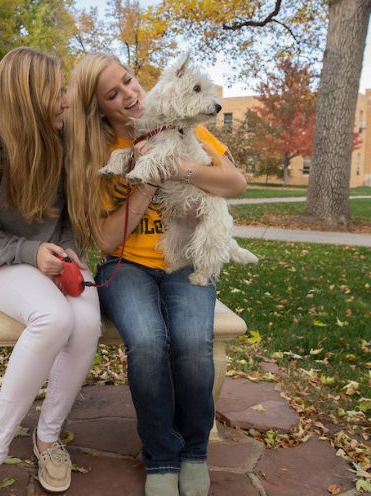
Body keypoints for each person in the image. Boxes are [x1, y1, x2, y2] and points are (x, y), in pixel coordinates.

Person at [64, 53, 247, 496]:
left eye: (128, 81)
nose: (129, 93)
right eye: (113, 93)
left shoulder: (182, 122)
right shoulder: (97, 153)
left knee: (190, 343)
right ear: (99, 108)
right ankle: (162, 456)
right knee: (147, 342)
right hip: (126, 265)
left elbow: (235, 183)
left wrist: (179, 168)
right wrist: (146, 182)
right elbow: (106, 240)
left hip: (183, 260)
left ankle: (194, 452)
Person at [0, 47, 101, 496]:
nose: (66, 101)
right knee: (53, 319)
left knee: (86, 321)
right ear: (29, 97)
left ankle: (48, 436)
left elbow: (68, 221)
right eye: (57, 93)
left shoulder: (62, 139)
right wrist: (32, 254)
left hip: (52, 257)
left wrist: (69, 255)